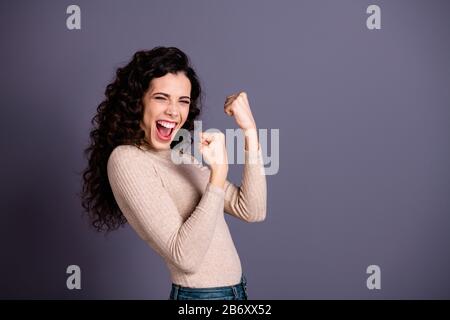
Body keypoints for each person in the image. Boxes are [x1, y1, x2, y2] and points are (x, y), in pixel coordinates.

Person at [81, 47, 267, 300]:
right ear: (138, 101)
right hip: (201, 298)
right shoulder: (126, 160)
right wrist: (218, 174)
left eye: (183, 101)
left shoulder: (178, 153)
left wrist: (249, 131)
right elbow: (184, 257)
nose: (173, 111)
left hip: (236, 293)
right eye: (161, 97)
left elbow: (252, 210)